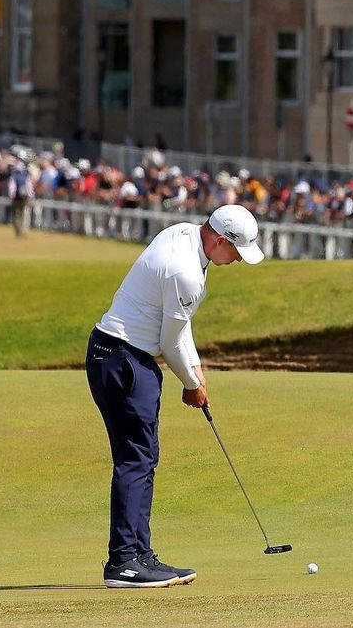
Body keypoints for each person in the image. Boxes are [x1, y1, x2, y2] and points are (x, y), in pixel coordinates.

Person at [85, 205, 265, 588]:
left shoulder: (183, 234)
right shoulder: (185, 272)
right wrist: (191, 383)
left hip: (114, 353)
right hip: (126, 358)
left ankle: (139, 553)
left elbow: (179, 329)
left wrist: (195, 370)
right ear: (219, 240)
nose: (235, 260)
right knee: (137, 458)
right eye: (235, 252)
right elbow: (169, 341)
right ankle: (124, 563)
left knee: (141, 456)